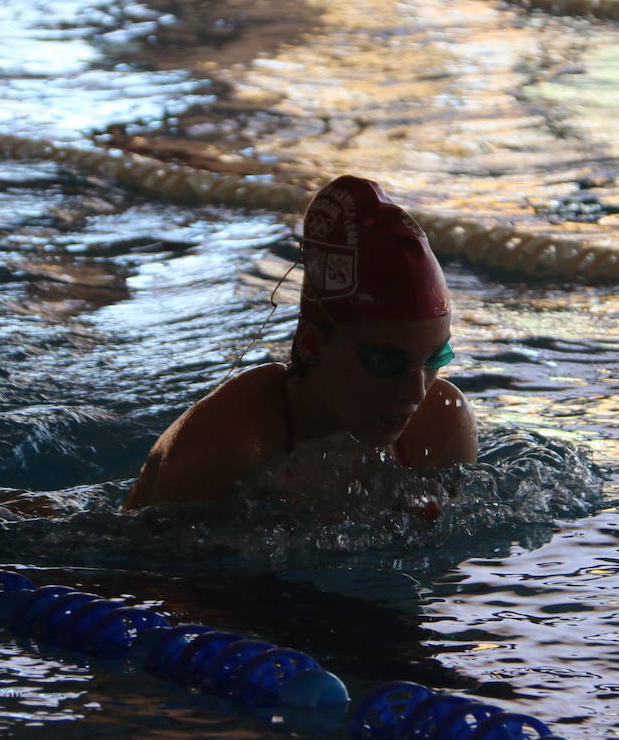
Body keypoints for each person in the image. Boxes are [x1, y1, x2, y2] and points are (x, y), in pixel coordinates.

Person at [124, 175, 477, 508]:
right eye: (386, 362)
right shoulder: (226, 443)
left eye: (434, 359)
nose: (415, 393)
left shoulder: (441, 426)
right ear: (311, 345)